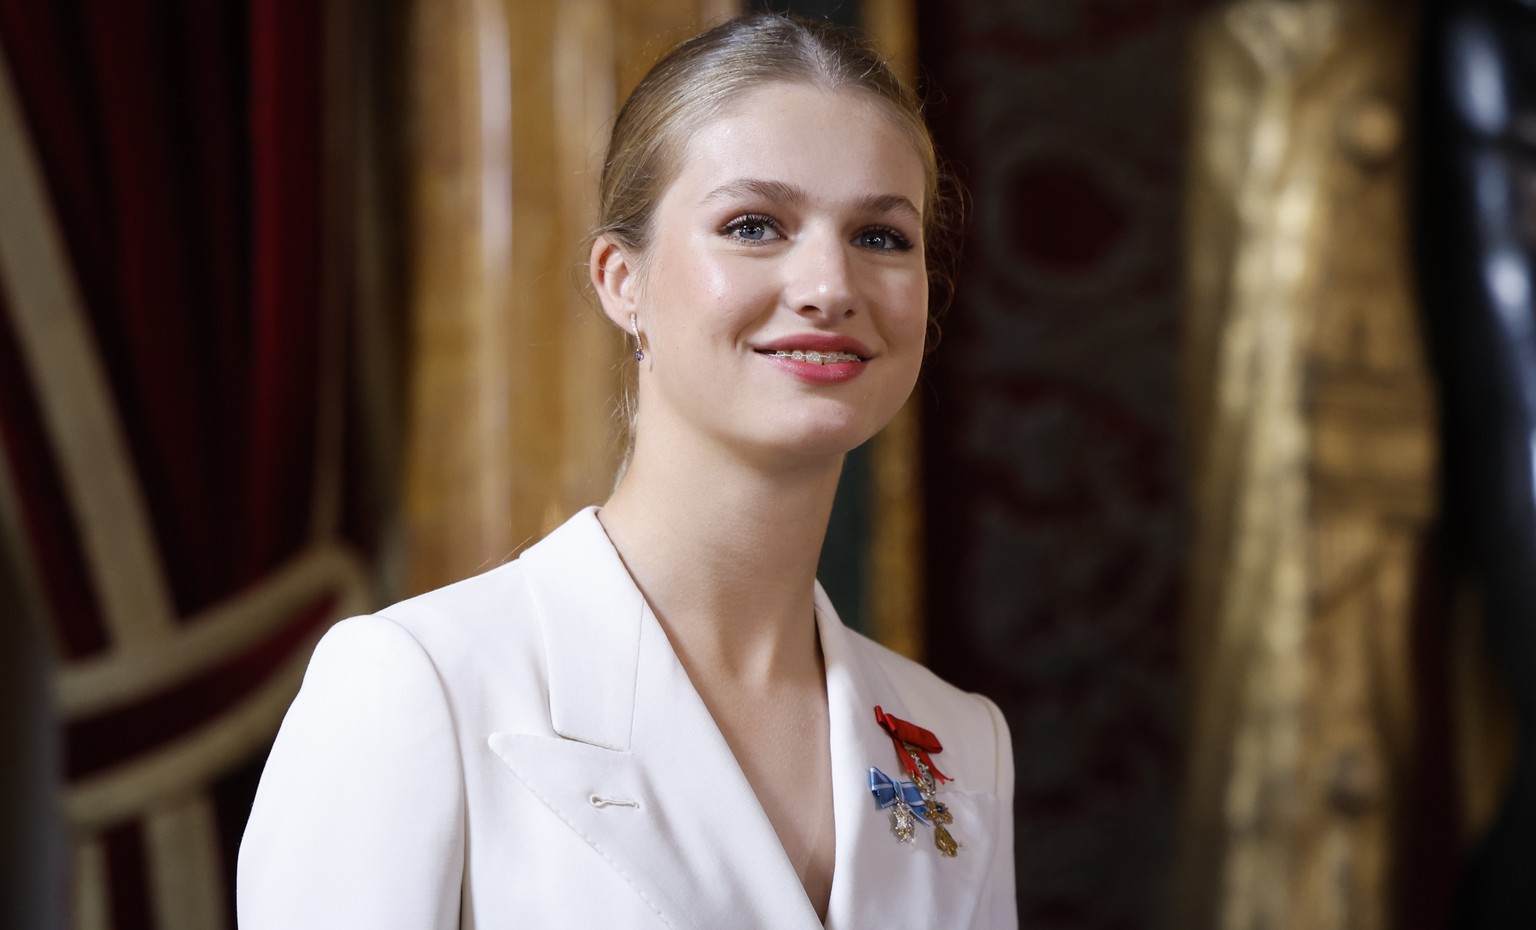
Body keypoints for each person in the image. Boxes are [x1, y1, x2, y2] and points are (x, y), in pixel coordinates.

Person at [236, 14, 1016, 929]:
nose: (829, 285)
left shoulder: (961, 743)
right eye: (755, 225)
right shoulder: (419, 686)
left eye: (882, 237)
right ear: (621, 280)